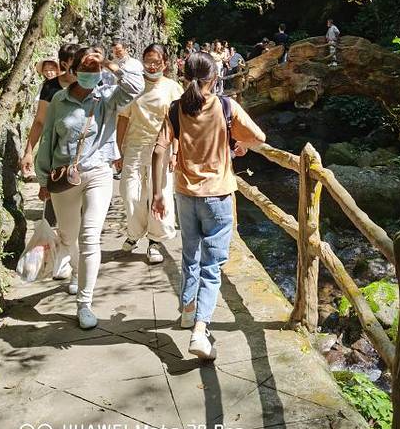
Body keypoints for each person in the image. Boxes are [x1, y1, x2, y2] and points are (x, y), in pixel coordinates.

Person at [151, 52, 266, 360]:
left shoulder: (176, 109)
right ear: (215, 78)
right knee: (212, 266)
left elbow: (159, 150)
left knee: (190, 254)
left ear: (184, 77)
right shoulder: (226, 106)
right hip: (217, 195)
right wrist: (240, 144)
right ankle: (200, 331)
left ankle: (188, 310)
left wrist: (157, 194)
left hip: (184, 194)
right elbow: (259, 136)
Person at [35, 46, 144, 330]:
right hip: (64, 176)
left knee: (90, 237)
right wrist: (43, 179)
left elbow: (136, 86)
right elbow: (47, 139)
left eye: (95, 70)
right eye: (86, 69)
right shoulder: (59, 99)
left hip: (98, 172)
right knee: (68, 235)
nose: (91, 74)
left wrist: (108, 64)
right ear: (73, 71)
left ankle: (84, 303)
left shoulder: (107, 97)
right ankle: (75, 271)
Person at [115, 44, 182, 264]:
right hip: (134, 146)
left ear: (165, 63)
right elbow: (123, 118)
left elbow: (179, 123)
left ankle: (155, 240)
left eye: (156, 62)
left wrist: (175, 152)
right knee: (129, 193)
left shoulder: (173, 88)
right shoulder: (133, 86)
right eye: (148, 61)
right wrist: (117, 150)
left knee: (159, 193)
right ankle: (135, 233)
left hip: (161, 148)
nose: (152, 66)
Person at [21, 45, 78, 179]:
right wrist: (28, 152)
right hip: (56, 151)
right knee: (55, 188)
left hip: (86, 153)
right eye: (76, 61)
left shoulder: (92, 85)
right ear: (64, 64)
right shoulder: (50, 87)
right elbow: (40, 121)